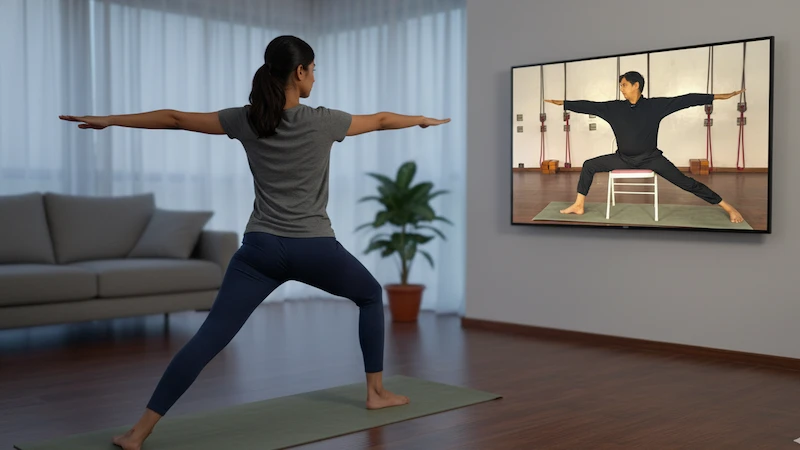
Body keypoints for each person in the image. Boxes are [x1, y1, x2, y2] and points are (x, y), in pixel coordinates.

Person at [60, 35, 450, 450]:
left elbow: (174, 118)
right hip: (313, 247)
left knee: (210, 336)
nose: (315, 76)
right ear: (299, 72)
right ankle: (376, 393)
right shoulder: (324, 120)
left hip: (260, 249)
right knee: (371, 295)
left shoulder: (246, 120)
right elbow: (384, 120)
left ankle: (138, 432)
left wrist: (110, 119)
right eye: (314, 69)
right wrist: (422, 119)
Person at [545, 70, 744, 223]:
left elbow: (685, 100)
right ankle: (579, 205)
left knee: (686, 182)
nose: (621, 88)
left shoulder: (655, 106)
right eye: (620, 85)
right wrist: (563, 103)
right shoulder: (614, 108)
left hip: (651, 158)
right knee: (589, 165)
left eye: (624, 85)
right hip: (623, 158)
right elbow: (588, 105)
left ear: (636, 85)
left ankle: (727, 207)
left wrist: (715, 97)